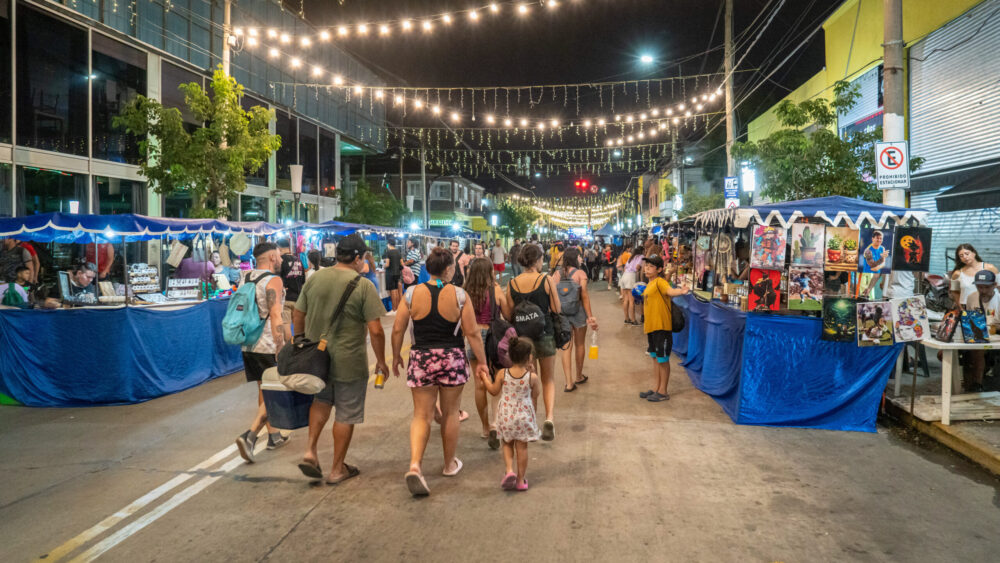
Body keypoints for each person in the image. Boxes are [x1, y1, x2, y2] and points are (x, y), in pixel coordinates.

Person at [391, 248, 489, 496]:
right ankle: (449, 464)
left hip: (421, 358)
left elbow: (398, 329)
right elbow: (473, 333)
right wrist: (482, 361)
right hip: (452, 359)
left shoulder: (411, 294)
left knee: (421, 415)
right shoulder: (460, 296)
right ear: (448, 269)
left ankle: (415, 465)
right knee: (451, 413)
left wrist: (395, 355)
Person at [294, 234, 388, 484]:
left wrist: (299, 341)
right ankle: (337, 469)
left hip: (316, 359)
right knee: (346, 413)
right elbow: (376, 330)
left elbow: (298, 313)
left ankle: (310, 451)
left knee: (321, 401)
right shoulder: (363, 286)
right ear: (357, 258)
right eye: (363, 257)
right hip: (349, 361)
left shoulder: (315, 278)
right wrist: (381, 361)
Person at [234, 242, 290, 463]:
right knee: (278, 389)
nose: (282, 260)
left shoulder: (245, 277)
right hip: (267, 343)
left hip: (248, 343)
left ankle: (274, 435)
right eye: (279, 256)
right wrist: (280, 346)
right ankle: (250, 435)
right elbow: (276, 315)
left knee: (264, 388)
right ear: (272, 257)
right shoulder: (273, 280)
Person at [507, 243, 561, 441]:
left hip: (523, 337)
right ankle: (549, 419)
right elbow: (556, 308)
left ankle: (531, 422)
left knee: (530, 381)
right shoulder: (546, 280)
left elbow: (509, 313)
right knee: (548, 379)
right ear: (538, 260)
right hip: (545, 333)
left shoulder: (512, 283)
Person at [479, 336, 540, 491]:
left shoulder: (502, 373)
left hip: (506, 415)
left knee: (506, 443)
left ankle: (509, 470)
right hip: (524, 416)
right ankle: (520, 480)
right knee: (522, 448)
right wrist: (533, 414)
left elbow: (493, 391)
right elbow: (535, 396)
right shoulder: (532, 377)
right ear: (529, 358)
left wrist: (485, 378)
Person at [464, 257, 512, 449]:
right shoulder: (496, 290)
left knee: (480, 385)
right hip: (494, 338)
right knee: (497, 382)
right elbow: (508, 314)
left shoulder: (466, 293)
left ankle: (485, 427)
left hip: (474, 337)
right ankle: (495, 423)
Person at [639, 255, 690, 402]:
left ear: (659, 269)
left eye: (651, 266)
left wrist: (681, 291)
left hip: (661, 327)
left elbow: (670, 291)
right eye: (646, 266)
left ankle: (663, 391)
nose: (647, 268)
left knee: (662, 360)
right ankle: (656, 388)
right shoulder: (649, 284)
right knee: (655, 359)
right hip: (651, 328)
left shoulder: (660, 282)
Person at [550, 248, 599, 392]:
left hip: (562, 314)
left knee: (566, 347)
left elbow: (552, 295)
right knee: (580, 344)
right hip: (578, 313)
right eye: (579, 256)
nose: (581, 258)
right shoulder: (580, 273)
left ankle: (568, 382)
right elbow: (584, 296)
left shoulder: (556, 274)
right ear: (575, 258)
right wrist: (590, 316)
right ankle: (578, 376)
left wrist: (555, 313)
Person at [963, 270, 1000, 392]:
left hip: (995, 336)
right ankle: (970, 383)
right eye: (979, 287)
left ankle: (977, 383)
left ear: (994, 285)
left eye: (987, 287)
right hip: (977, 334)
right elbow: (968, 319)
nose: (983, 290)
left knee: (977, 350)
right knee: (943, 354)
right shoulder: (971, 297)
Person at [276, 237, 305, 332]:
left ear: (279, 249)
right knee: (298, 327)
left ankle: (289, 342)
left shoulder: (280, 261)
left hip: (286, 299)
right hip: (298, 299)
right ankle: (298, 341)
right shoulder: (298, 261)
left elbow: (277, 280)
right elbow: (303, 281)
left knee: (286, 326)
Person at [620, 247, 644, 325]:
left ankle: (626, 318)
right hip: (631, 276)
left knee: (626, 299)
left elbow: (625, 268)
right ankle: (633, 320)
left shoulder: (631, 257)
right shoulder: (641, 256)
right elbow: (637, 267)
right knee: (631, 300)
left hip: (624, 276)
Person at [383, 237, 404, 314]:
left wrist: (383, 266)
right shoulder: (398, 252)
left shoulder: (388, 252)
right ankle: (397, 308)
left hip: (390, 273)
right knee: (397, 290)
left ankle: (394, 309)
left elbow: (387, 264)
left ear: (388, 244)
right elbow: (402, 264)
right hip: (397, 273)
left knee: (393, 291)